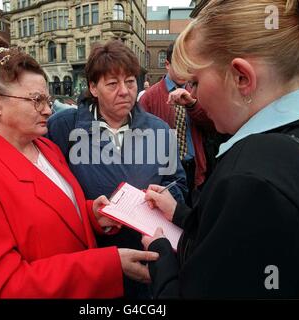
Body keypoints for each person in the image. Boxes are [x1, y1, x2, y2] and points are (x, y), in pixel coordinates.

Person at [0, 36, 159, 298]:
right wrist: (108, 264)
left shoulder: (46, 147)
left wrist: (91, 214)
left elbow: (57, 212)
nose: (48, 110)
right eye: (36, 100)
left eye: (47, 99)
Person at [142, 0, 299, 298]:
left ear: (241, 78)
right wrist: (183, 215)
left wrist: (162, 259)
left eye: (195, 81)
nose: (192, 95)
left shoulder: (250, 179)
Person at [47, 40, 187, 298]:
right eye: (112, 84)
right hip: (94, 257)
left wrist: (164, 198)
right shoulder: (63, 127)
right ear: (93, 87)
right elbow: (51, 189)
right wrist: (91, 210)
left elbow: (177, 182)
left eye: (131, 82)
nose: (124, 91)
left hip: (146, 257)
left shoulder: (158, 129)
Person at [139, 43, 224, 202]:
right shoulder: (149, 97)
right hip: (167, 170)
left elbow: (212, 126)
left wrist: (192, 104)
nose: (184, 71)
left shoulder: (197, 91)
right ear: (167, 64)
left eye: (187, 66)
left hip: (195, 167)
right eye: (179, 65)